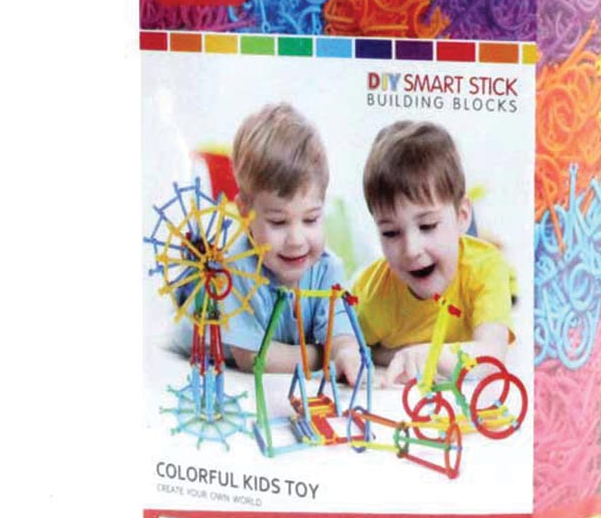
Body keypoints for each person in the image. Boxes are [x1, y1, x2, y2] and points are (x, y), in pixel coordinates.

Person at [185, 102, 361, 383]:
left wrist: (346, 354)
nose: (296, 240)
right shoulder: (234, 270)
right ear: (245, 213)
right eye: (278, 222)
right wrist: (321, 355)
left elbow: (342, 337)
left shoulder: (329, 269)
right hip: (192, 327)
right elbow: (253, 358)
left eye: (311, 219)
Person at [353, 120, 513, 386]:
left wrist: (430, 355)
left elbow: (492, 356)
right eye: (390, 233)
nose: (411, 250)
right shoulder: (374, 294)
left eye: (427, 226)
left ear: (462, 216)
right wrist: (394, 356)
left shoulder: (486, 268)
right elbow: (345, 349)